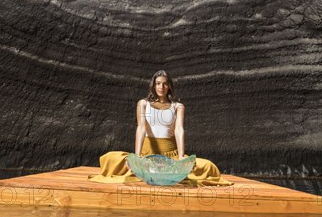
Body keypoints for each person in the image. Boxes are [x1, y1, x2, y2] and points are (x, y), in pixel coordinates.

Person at [88, 70, 232, 186]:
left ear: (169, 86)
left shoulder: (178, 106)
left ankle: (167, 169)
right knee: (110, 158)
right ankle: (143, 167)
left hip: (170, 156)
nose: (161, 87)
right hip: (146, 155)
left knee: (207, 166)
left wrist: (181, 157)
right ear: (153, 85)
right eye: (158, 84)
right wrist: (137, 157)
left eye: (164, 84)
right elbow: (141, 128)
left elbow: (179, 130)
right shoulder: (143, 104)